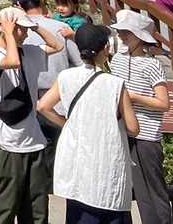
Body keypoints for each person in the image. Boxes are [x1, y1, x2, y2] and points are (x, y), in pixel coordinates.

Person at [37, 23, 140, 224]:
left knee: (79, 212)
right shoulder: (115, 83)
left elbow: (43, 106)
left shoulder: (66, 76)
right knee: (110, 209)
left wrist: (66, 123)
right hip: (107, 163)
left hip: (77, 162)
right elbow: (133, 128)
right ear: (105, 48)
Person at [0, 5, 64, 224]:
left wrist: (35, 26)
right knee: (2, 209)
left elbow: (58, 45)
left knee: (36, 210)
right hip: (4, 142)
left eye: (25, 30)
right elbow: (12, 62)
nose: (24, 34)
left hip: (33, 140)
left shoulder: (30, 52)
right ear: (2, 28)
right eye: (20, 29)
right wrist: (8, 32)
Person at [110, 9, 171, 224]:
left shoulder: (152, 65)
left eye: (127, 32)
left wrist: (133, 97)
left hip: (147, 135)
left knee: (153, 190)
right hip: (122, 132)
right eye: (121, 32)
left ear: (139, 36)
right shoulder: (117, 60)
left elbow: (164, 103)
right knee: (131, 190)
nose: (122, 36)